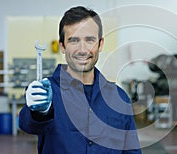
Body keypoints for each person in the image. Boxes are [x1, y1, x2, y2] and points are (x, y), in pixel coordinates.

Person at [19, 6, 141, 154]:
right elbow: (28, 125)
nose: (82, 50)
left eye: (90, 40)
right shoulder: (45, 93)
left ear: (100, 44)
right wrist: (41, 112)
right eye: (74, 40)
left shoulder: (119, 97)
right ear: (62, 46)